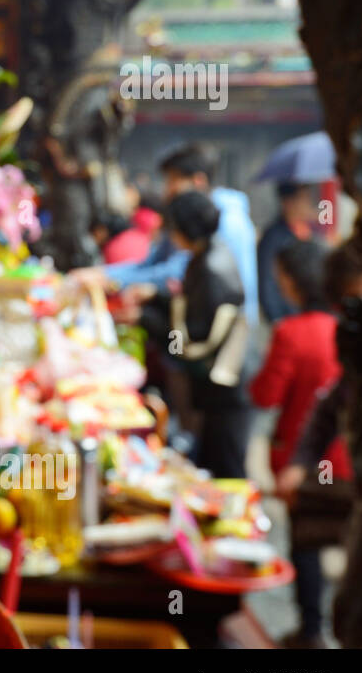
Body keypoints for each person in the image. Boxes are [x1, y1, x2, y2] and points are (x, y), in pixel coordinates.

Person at [248, 240, 345, 647]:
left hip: (300, 464)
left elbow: (266, 395)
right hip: (349, 463)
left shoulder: (291, 333)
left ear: (293, 281)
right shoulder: (350, 333)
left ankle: (311, 630)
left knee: (306, 543)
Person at [73, 142, 259, 328]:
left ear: (198, 181)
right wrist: (105, 275)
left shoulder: (220, 220)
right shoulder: (186, 215)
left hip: (217, 331)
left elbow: (175, 273)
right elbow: (153, 263)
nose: (166, 190)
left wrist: (111, 280)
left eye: (172, 181)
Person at [140, 190, 252, 478]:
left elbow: (189, 338)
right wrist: (155, 297)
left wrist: (145, 318)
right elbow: (187, 309)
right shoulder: (207, 254)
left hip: (223, 387)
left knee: (225, 469)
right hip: (214, 386)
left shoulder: (211, 268)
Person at [257, 182, 317, 325]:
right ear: (288, 202)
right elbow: (267, 282)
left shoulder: (307, 233)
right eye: (303, 198)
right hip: (286, 318)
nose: (308, 203)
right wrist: (277, 318)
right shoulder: (273, 238)